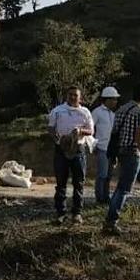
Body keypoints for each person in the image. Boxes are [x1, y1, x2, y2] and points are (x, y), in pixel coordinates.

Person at [104, 83, 140, 234]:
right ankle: (111, 221)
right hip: (132, 153)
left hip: (122, 151)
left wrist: (114, 154)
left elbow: (115, 133)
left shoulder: (121, 109)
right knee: (124, 188)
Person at [48, 86, 94, 224]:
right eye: (70, 95)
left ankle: (77, 213)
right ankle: (60, 213)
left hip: (78, 148)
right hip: (61, 149)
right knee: (61, 182)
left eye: (76, 95)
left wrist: (80, 131)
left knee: (78, 182)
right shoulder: (57, 111)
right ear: (66, 96)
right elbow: (51, 128)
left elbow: (91, 130)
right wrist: (58, 139)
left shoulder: (85, 112)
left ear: (80, 98)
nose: (73, 97)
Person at [92, 86, 120, 204]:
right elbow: (90, 128)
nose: (115, 102)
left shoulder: (113, 115)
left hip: (111, 149)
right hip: (102, 148)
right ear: (107, 99)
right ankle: (100, 198)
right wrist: (93, 145)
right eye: (113, 99)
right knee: (102, 175)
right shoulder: (97, 112)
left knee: (108, 175)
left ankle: (106, 196)